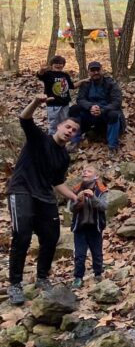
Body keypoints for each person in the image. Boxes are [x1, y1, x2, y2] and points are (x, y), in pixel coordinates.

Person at [6, 95, 80, 305]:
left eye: (74, 131)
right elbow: (24, 118)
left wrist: (74, 196)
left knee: (51, 236)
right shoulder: (39, 138)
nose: (70, 131)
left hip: (45, 195)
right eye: (67, 127)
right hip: (21, 190)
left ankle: (42, 277)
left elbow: (58, 182)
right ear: (59, 126)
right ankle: (15, 284)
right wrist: (36, 103)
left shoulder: (64, 157)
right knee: (22, 235)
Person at [69, 61, 124, 152]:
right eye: (93, 70)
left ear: (102, 70)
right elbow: (80, 99)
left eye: (98, 70)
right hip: (90, 113)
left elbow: (117, 102)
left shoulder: (111, 83)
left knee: (114, 114)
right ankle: (74, 141)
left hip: (106, 113)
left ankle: (112, 146)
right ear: (89, 72)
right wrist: (90, 107)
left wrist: (102, 109)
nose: (96, 72)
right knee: (74, 109)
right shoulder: (86, 84)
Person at [70, 163, 108, 289]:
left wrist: (93, 197)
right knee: (79, 254)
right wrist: (77, 200)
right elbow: (71, 208)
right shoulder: (76, 189)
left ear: (96, 176)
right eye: (84, 171)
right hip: (80, 228)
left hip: (95, 227)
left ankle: (98, 274)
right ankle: (78, 277)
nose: (85, 172)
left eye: (89, 171)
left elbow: (104, 206)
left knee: (97, 253)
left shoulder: (101, 190)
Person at [36, 55, 75, 134]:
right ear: (51, 65)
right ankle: (52, 137)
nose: (58, 65)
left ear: (63, 65)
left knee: (64, 122)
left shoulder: (65, 75)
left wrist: (83, 81)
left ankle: (62, 136)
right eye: (56, 63)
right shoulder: (48, 74)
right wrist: (42, 69)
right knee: (53, 123)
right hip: (53, 104)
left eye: (60, 63)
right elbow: (40, 75)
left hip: (65, 104)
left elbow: (72, 86)